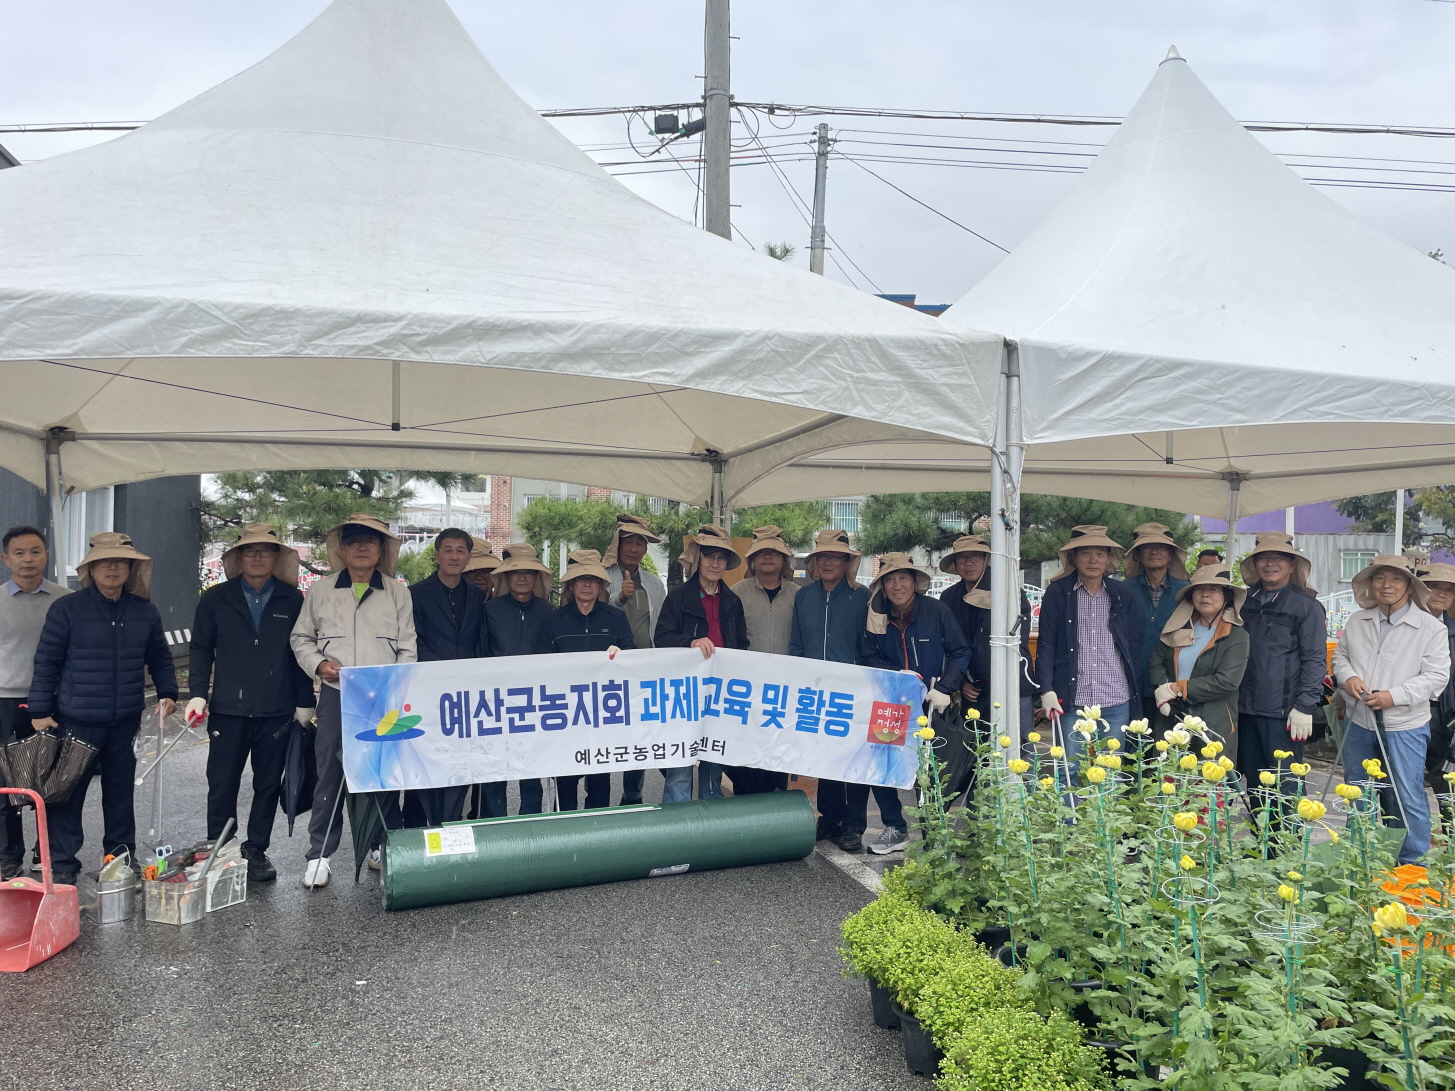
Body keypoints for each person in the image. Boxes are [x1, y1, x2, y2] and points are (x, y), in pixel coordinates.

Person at [28, 533, 177, 886]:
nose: (113, 568)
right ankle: (62, 863)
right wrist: (38, 709)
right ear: (91, 569)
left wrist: (167, 692)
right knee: (67, 794)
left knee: (120, 793)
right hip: (76, 719)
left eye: (121, 562)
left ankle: (119, 859)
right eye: (104, 562)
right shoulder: (67, 609)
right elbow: (47, 662)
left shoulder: (144, 611)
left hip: (125, 719)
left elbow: (159, 657)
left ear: (130, 569)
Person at [290, 513, 416, 888]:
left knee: (383, 771)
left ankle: (380, 845)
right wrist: (319, 664)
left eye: (371, 541)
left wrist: (394, 686)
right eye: (354, 541)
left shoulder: (397, 592)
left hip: (383, 699)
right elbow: (301, 639)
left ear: (381, 551)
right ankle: (320, 855)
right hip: (336, 695)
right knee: (329, 771)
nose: (362, 547)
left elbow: (408, 648)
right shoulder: (321, 590)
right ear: (343, 550)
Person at [187, 524, 315, 883]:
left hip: (276, 709)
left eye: (266, 551)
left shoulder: (292, 600)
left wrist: (305, 702)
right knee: (222, 782)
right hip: (228, 709)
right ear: (238, 557)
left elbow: (300, 651)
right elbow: (200, 649)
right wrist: (198, 691)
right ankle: (221, 848)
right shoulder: (215, 598)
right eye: (250, 550)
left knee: (268, 783)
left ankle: (256, 849)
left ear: (277, 557)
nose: (258, 557)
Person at [1333, 554, 1450, 865]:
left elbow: (1437, 677)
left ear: (1410, 586)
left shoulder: (1429, 627)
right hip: (1359, 721)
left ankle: (1411, 864)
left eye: (1396, 578)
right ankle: (1358, 858)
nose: (1386, 585)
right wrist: (1349, 678)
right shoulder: (1358, 620)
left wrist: (1394, 696)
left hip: (1405, 723)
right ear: (1371, 584)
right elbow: (1340, 658)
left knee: (1406, 793)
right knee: (1357, 790)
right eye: (1379, 578)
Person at [860, 553, 971, 854]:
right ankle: (895, 827)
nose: (897, 585)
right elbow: (868, 655)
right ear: (882, 586)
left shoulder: (936, 611)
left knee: (932, 767)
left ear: (915, 582)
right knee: (881, 762)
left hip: (932, 702)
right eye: (890, 580)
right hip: (892, 702)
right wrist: (897, 674)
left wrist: (946, 688)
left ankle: (933, 831)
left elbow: (960, 651)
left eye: (903, 578)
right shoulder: (876, 614)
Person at [790, 528, 870, 852]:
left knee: (855, 759)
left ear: (846, 561)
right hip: (814, 692)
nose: (828, 562)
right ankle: (831, 817)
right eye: (822, 556)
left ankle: (855, 824)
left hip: (853, 692)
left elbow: (869, 646)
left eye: (835, 556)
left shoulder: (862, 597)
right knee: (824, 758)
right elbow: (796, 643)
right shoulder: (803, 596)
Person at [655, 525, 749, 799]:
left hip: (720, 692)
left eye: (721, 558)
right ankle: (678, 827)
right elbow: (661, 638)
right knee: (681, 763)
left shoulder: (732, 601)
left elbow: (741, 645)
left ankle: (711, 824)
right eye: (710, 557)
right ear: (699, 560)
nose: (715, 563)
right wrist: (690, 642)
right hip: (684, 693)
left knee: (713, 761)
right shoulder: (678, 597)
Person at [1234, 532, 1327, 806]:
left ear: (1292, 565)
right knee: (1255, 785)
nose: (1270, 563)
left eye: (1278, 558)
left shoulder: (1307, 607)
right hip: (1244, 710)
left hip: (1284, 714)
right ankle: (1260, 848)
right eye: (1264, 557)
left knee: (1285, 789)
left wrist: (1305, 706)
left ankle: (1288, 848)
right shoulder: (1243, 601)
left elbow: (1315, 659)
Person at [537, 550, 635, 810]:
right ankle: (569, 837)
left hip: (604, 715)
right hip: (565, 717)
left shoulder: (615, 618)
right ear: (571, 584)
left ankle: (598, 838)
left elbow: (632, 655)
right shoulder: (553, 620)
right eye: (581, 579)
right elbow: (541, 666)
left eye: (593, 579)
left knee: (600, 786)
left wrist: (621, 653)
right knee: (566, 785)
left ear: (602, 585)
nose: (587, 585)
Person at [0, 526, 71, 880]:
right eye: (19, 553)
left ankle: (47, 852)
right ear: (6, 558)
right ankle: (7, 856)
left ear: (46, 555)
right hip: (4, 701)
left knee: (53, 782)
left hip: (54, 701)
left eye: (35, 551)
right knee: (4, 784)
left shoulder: (65, 600)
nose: (28, 559)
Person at [1036, 526, 1140, 763]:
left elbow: (1132, 645)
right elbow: (1047, 643)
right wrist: (1046, 689)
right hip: (1072, 696)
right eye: (1085, 553)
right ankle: (1068, 804)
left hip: (1115, 694)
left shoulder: (1121, 593)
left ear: (1109, 559)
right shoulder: (1058, 592)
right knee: (1068, 768)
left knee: (1110, 769)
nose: (1093, 560)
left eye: (1100, 554)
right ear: (1074, 558)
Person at [407, 528, 487, 827]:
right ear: (437, 554)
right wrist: (441, 670)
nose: (454, 556)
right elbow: (412, 639)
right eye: (448, 550)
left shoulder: (478, 595)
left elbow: (479, 639)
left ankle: (451, 824)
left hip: (465, 694)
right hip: (427, 690)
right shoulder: (415, 593)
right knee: (424, 757)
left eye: (461, 550)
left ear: (468, 556)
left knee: (460, 759)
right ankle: (415, 827)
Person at [480, 543, 557, 815]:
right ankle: (493, 826)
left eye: (529, 573)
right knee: (494, 770)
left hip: (535, 702)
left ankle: (532, 826)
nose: (522, 578)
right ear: (506, 578)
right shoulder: (489, 611)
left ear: (537, 578)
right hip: (495, 702)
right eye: (516, 573)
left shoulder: (549, 613)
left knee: (531, 769)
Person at [1148, 564, 1250, 757]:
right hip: (1172, 716)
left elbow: (1227, 681)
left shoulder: (1237, 636)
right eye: (1199, 590)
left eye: (1213, 590)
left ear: (1226, 596)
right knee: (1167, 780)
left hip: (1214, 722)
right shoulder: (1178, 627)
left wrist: (1177, 689)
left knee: (1207, 781)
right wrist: (1165, 690)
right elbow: (1157, 660)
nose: (1205, 595)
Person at [936, 534, 1035, 724]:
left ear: (986, 560)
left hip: (1012, 686)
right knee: (975, 750)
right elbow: (948, 646)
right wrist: (960, 682)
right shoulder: (948, 598)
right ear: (955, 564)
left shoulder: (1009, 592)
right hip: (972, 690)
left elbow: (1017, 642)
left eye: (976, 557)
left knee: (1019, 747)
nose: (969, 563)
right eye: (963, 558)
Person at [602, 513, 666, 805]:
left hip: (645, 668)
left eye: (640, 543)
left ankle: (633, 792)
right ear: (618, 544)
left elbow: (661, 626)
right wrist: (618, 597)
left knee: (638, 732)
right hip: (607, 669)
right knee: (605, 733)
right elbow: (590, 608)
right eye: (628, 542)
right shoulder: (602, 575)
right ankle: (598, 795)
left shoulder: (655, 583)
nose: (634, 548)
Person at [733, 525, 801, 792]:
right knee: (746, 754)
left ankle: (776, 812)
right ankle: (746, 812)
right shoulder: (737, 592)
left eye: (775, 552)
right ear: (752, 559)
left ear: (784, 559)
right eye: (762, 553)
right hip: (747, 688)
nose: (768, 557)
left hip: (786, 688)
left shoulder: (799, 594)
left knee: (779, 752)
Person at [1123, 523, 1190, 720]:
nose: (1154, 552)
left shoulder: (1186, 591)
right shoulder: (1123, 590)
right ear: (1137, 555)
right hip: (1130, 682)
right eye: (1146, 547)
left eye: (1160, 547)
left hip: (1171, 684)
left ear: (1170, 554)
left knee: (1168, 745)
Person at [1420, 561, 1455, 806]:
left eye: (1449, 589)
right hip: (1403, 710)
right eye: (1433, 586)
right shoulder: (1402, 624)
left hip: (1446, 716)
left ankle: (1448, 841)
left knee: (1445, 783)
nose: (1441, 593)